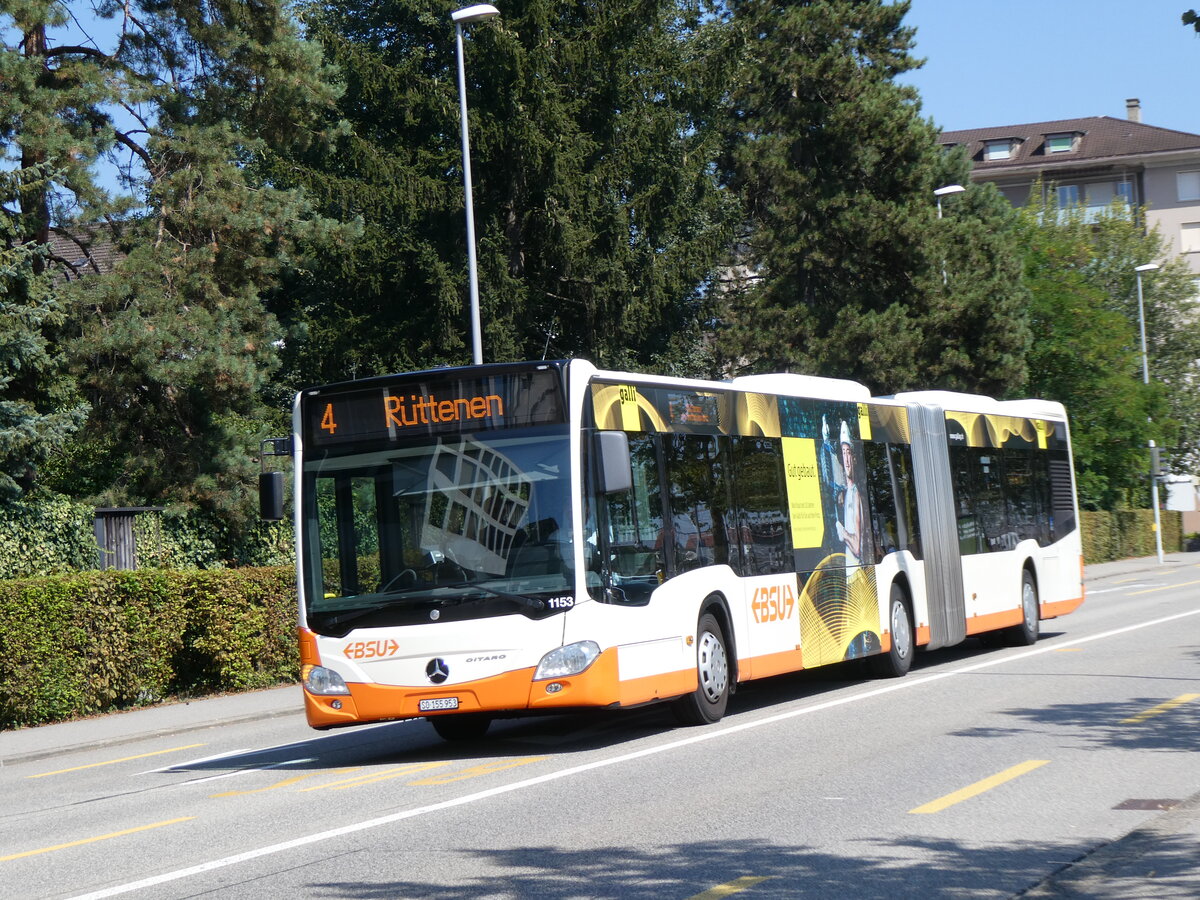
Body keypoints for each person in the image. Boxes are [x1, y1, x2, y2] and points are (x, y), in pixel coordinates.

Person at [834, 420, 866, 567]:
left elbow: (857, 548)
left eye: (849, 453)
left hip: (856, 576)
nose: (846, 460)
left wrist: (843, 533)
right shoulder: (847, 493)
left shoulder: (855, 494)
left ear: (854, 458)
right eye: (843, 453)